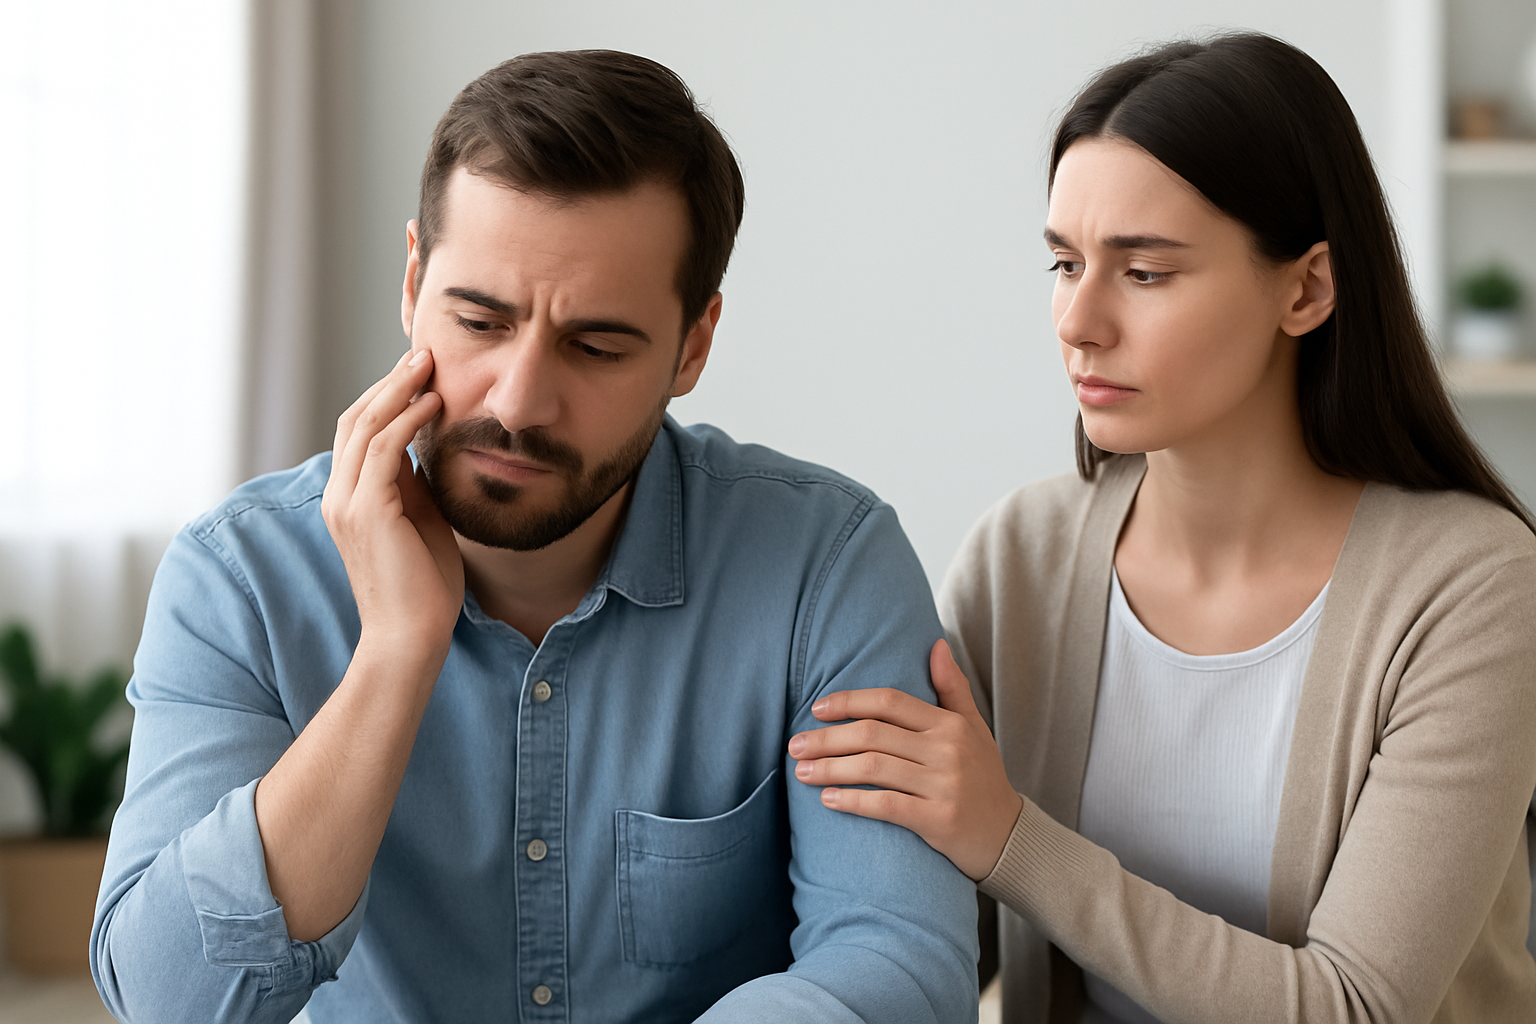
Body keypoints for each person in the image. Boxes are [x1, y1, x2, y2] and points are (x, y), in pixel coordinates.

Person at [91, 50, 978, 1024]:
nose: (517, 403)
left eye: (595, 345)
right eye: (478, 320)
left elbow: (900, 964)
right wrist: (394, 654)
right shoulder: (241, 578)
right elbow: (171, 1000)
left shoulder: (826, 566)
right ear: (414, 286)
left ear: (694, 344)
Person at [788, 33, 1536, 1024]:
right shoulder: (1023, 557)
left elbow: (1354, 1007)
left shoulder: (1473, 585)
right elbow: (914, 937)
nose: (1078, 319)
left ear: (1306, 288)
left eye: (1144, 272)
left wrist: (1014, 837)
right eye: (1064, 262)